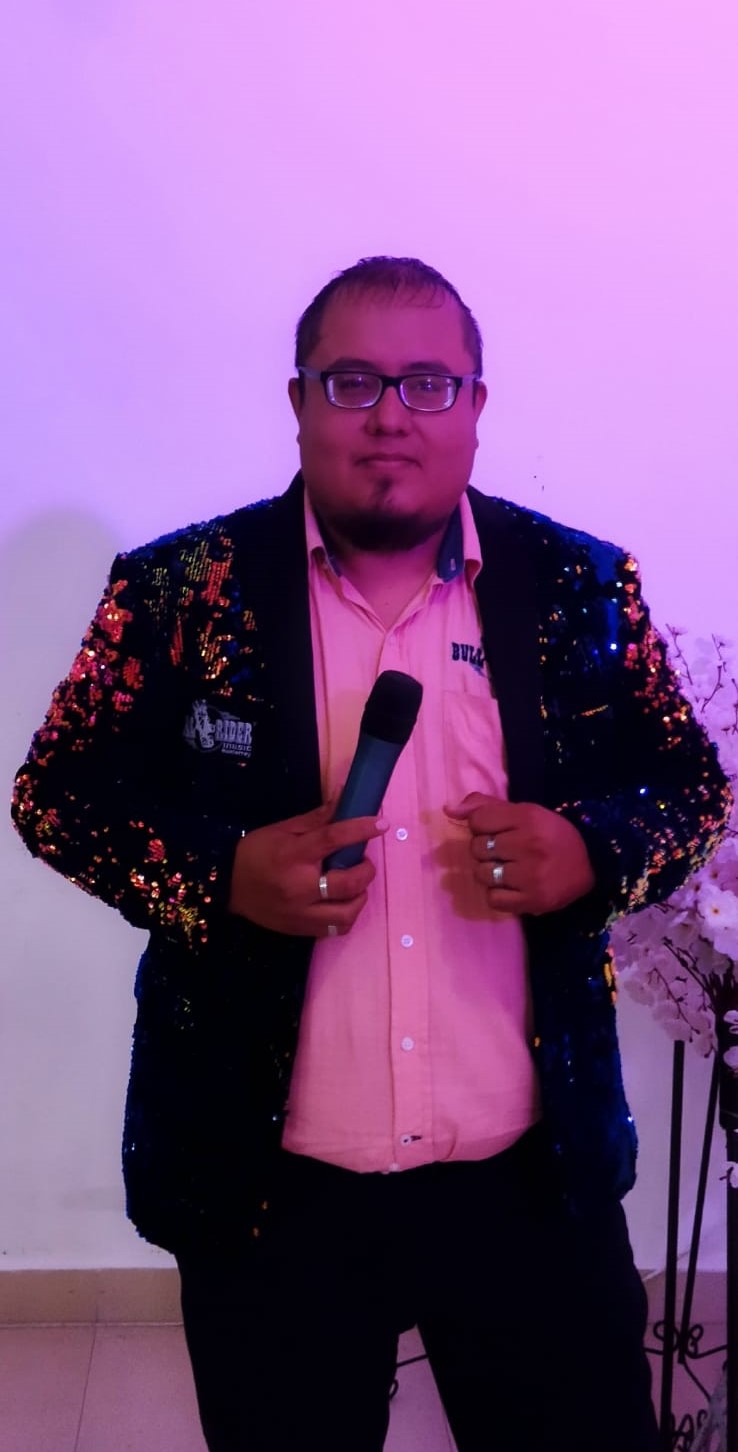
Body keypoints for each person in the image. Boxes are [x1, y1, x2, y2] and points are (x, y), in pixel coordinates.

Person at [12, 255, 731, 1452]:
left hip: (530, 1179)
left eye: (428, 383)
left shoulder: (581, 585)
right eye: (352, 381)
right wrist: (221, 875)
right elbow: (57, 796)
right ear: (298, 400)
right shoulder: (178, 590)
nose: (391, 415)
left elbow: (692, 787)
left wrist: (592, 853)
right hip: (265, 1186)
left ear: (477, 405)